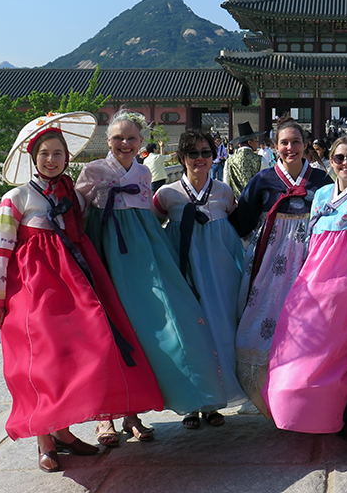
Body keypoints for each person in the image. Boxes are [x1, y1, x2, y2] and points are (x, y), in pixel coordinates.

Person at [0, 125, 162, 472]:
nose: (51, 160)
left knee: (79, 355)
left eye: (58, 154)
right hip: (33, 290)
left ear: (68, 158)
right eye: (44, 154)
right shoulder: (17, 198)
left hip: (71, 287)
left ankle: (65, 432)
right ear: (33, 159)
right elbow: (1, 248)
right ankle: (45, 438)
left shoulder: (73, 196)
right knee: (43, 362)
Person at [76, 110, 226, 444]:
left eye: (131, 138)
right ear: (107, 140)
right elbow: (79, 213)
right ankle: (106, 420)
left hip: (146, 256)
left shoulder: (144, 172)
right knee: (111, 331)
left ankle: (135, 412)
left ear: (142, 141)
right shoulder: (94, 171)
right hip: (110, 257)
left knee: (150, 329)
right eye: (118, 138)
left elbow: (149, 216)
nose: (125, 144)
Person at [264, 136, 347, 433]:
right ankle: (290, 408)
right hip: (310, 282)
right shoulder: (322, 194)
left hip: (344, 287)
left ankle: (326, 416)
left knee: (332, 355)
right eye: (339, 158)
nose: (345, 164)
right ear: (330, 161)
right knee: (294, 342)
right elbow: (309, 241)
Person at [229, 119, 333, 416]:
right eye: (284, 142)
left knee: (307, 327)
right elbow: (243, 222)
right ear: (275, 147)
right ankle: (265, 392)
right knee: (261, 323)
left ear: (305, 145)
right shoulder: (263, 180)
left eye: (296, 142)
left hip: (309, 259)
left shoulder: (322, 181)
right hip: (269, 264)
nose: (290, 148)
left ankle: (304, 395)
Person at [153, 129, 247, 429]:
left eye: (206, 152)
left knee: (220, 334)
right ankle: (192, 404)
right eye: (193, 153)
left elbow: (236, 230)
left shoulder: (223, 192)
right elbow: (152, 229)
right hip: (185, 274)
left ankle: (214, 402)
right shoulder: (167, 195)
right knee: (190, 336)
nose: (200, 159)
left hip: (220, 276)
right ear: (182, 158)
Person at [224, 122, 263, 197]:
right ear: (250, 142)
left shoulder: (229, 161)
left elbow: (226, 186)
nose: (257, 143)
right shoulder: (260, 160)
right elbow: (266, 183)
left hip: (236, 204)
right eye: (256, 141)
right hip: (256, 204)